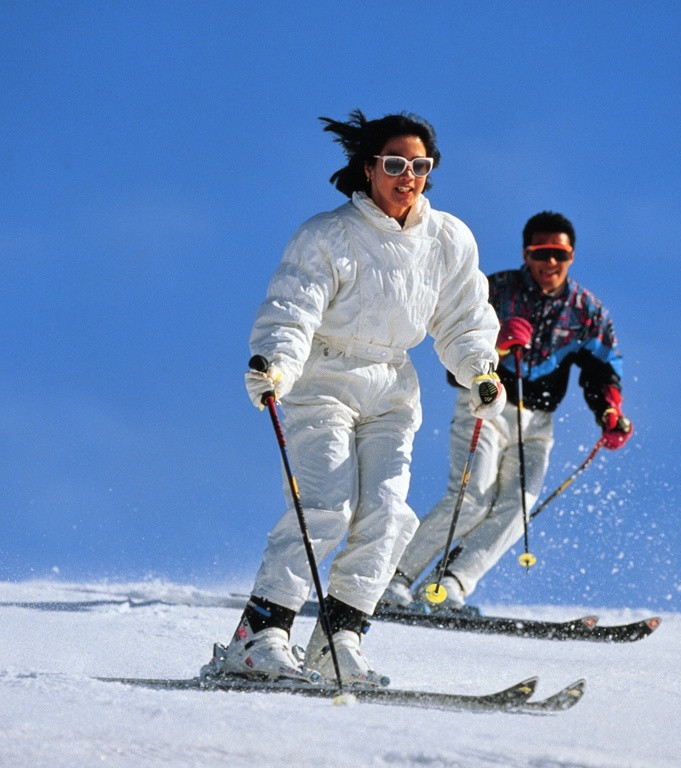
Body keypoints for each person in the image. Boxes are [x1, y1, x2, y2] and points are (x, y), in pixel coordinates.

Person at [208, 110, 506, 687]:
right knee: (326, 503)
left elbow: (465, 318)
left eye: (420, 165)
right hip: (323, 381)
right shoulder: (328, 235)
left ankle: (338, 642)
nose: (408, 176)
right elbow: (293, 306)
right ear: (368, 167)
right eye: (395, 164)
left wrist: (479, 371)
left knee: (387, 515)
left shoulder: (448, 239)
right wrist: (276, 363)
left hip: (392, 386)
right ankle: (260, 635)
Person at [379, 211, 633, 611]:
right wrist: (496, 345)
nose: (550, 263)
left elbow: (603, 369)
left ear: (571, 256)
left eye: (559, 254)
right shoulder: (494, 291)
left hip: (537, 423)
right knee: (473, 497)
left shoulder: (586, 311)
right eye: (541, 253)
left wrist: (609, 412)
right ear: (526, 253)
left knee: (517, 509)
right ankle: (393, 578)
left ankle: (449, 585)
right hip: (488, 405)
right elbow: (455, 348)